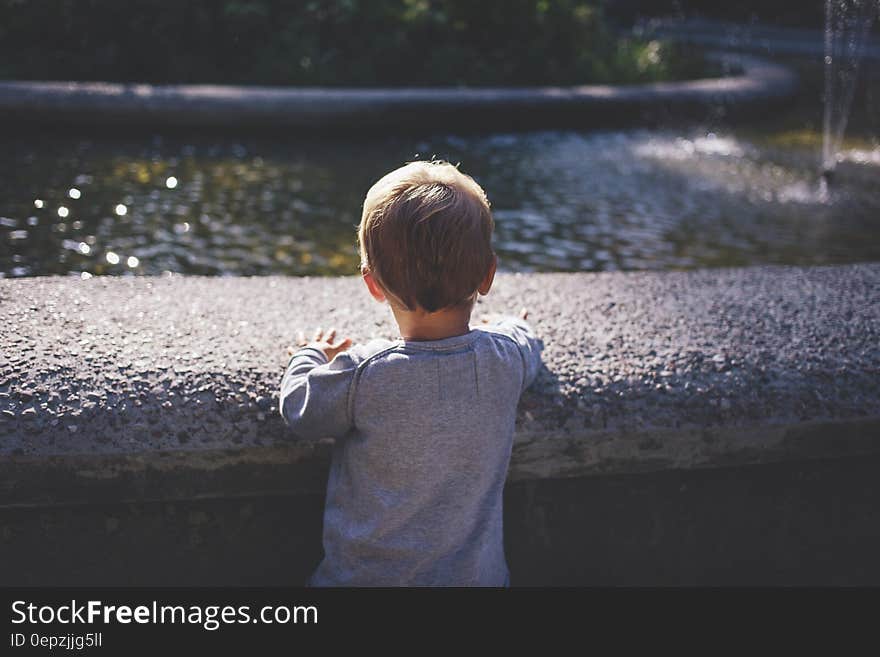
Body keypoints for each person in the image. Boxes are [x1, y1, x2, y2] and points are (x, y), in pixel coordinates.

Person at [279, 160, 542, 586]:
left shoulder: (364, 373)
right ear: (488, 275)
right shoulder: (505, 358)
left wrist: (308, 355)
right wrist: (513, 326)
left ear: (373, 284)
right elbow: (526, 342)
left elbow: (301, 411)